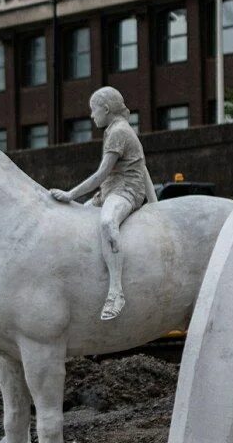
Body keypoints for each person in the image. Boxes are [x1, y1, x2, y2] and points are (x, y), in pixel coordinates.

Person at [49, 87, 156, 321]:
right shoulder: (113, 130)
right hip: (108, 191)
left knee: (108, 222)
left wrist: (70, 194)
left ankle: (116, 291)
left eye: (93, 110)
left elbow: (100, 174)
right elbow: (142, 163)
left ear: (106, 109)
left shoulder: (119, 131)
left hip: (125, 191)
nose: (91, 116)